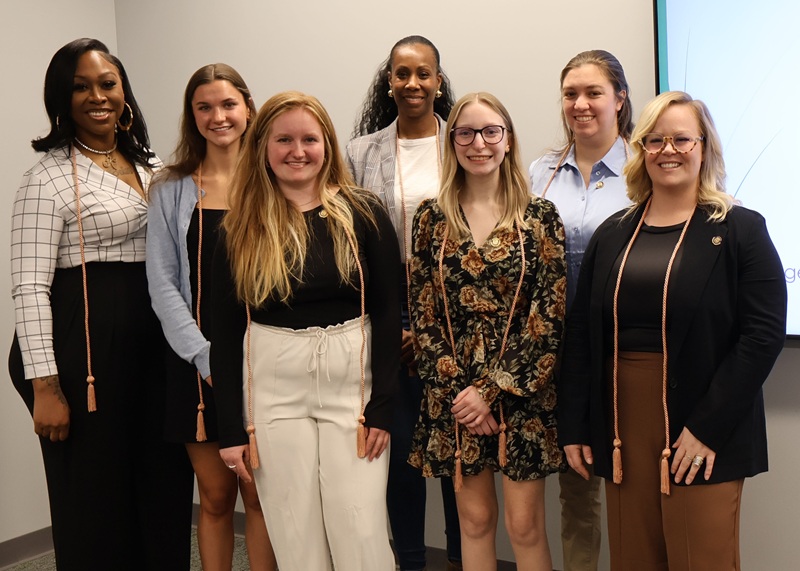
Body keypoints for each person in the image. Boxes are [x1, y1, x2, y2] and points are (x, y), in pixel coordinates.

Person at [559, 91, 787, 571]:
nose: (668, 150)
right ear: (641, 149)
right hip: (622, 425)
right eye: (655, 140)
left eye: (682, 139)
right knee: (633, 558)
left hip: (702, 421)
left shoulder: (741, 230)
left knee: (701, 559)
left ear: (704, 148)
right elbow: (581, 334)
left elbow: (763, 336)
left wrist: (707, 428)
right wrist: (576, 424)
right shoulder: (613, 232)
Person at [9, 38, 194, 570]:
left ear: (123, 91)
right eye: (80, 87)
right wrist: (45, 388)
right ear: (61, 99)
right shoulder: (45, 178)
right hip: (81, 353)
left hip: (152, 348)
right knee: (93, 497)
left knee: (162, 483)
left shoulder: (150, 163)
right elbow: (29, 288)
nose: (97, 96)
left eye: (107, 83)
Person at [209, 91, 401, 571]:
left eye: (309, 139)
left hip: (353, 389)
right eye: (284, 140)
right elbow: (225, 335)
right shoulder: (238, 228)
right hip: (274, 388)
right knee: (295, 532)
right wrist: (230, 429)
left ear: (327, 145)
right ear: (263, 147)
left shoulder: (364, 213)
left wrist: (383, 405)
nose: (298, 151)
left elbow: (387, 310)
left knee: (360, 528)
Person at [409, 92, 567, 571]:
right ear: (452, 142)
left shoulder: (539, 217)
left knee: (524, 526)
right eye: (465, 133)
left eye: (490, 131)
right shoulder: (430, 218)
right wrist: (464, 395)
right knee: (474, 522)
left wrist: (490, 391)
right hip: (456, 396)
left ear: (508, 139)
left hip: (521, 393)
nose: (479, 143)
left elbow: (548, 316)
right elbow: (424, 314)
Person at [146, 64, 277, 571]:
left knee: (259, 495)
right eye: (204, 107)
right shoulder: (169, 187)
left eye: (227, 104)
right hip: (194, 365)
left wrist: (253, 358)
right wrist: (205, 358)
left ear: (247, 108)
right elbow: (162, 285)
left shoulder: (274, 179)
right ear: (192, 115)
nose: (218, 116)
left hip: (265, 363)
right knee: (217, 496)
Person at [346, 34, 461, 571]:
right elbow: (350, 247)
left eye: (423, 73)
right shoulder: (359, 152)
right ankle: (411, 561)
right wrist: (390, 324)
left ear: (438, 80)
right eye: (402, 73)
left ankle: (463, 558)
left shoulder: (464, 142)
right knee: (401, 456)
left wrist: (434, 328)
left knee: (460, 456)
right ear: (388, 81)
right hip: (388, 316)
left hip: (457, 320)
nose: (412, 83)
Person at [528, 49, 633, 571]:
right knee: (577, 487)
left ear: (620, 99)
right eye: (571, 94)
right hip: (555, 352)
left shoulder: (646, 167)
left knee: (633, 484)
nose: (581, 104)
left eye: (594, 92)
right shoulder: (540, 172)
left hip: (623, 347)